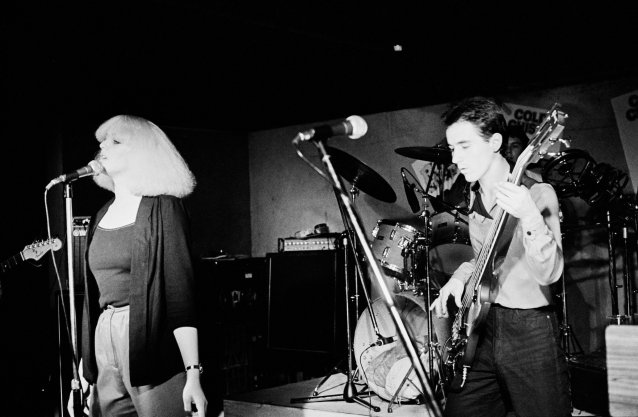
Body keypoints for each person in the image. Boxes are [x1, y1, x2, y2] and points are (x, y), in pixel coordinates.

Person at [430, 97, 571, 416]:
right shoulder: (474, 196)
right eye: (452, 148)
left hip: (528, 330)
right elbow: (485, 258)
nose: (456, 158)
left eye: (464, 146)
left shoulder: (538, 193)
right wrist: (458, 278)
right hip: (481, 325)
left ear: (494, 142)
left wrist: (530, 217)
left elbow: (550, 273)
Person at [73, 115, 207, 416]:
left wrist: (193, 373)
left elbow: (180, 293)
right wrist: (85, 371)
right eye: (103, 141)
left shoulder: (163, 207)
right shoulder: (100, 215)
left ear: (142, 153)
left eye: (116, 141)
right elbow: (93, 301)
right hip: (103, 339)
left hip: (148, 335)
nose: (103, 146)